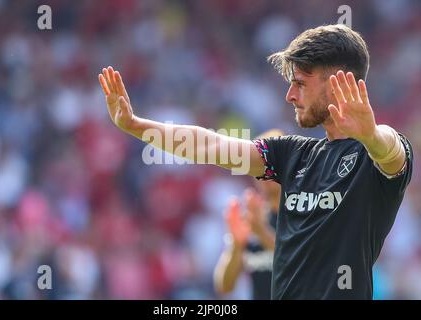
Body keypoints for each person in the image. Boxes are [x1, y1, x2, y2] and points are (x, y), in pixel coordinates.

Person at [98, 24, 413, 299]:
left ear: (335, 84)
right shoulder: (291, 155)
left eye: (300, 83)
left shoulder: (372, 157)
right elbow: (212, 145)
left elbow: (391, 152)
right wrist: (136, 126)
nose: (290, 95)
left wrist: (371, 135)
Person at [213, 129, 283, 300]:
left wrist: (262, 233)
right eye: (259, 164)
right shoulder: (252, 219)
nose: (266, 172)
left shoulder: (305, 213)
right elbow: (224, 286)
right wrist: (237, 245)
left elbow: (305, 266)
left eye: (272, 163)